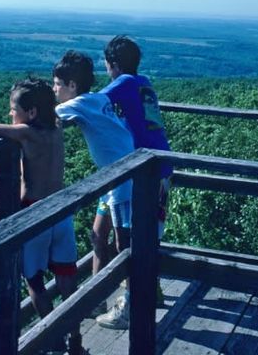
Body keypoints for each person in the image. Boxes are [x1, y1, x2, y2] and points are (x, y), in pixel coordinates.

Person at [0, 77, 81, 354]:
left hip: (35, 212)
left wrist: (13, 127)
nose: (10, 114)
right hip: (61, 210)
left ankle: (56, 341)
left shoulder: (26, 133)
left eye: (14, 109)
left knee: (33, 281)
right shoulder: (56, 128)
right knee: (66, 278)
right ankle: (76, 341)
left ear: (32, 112)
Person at [52, 50, 136, 330]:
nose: (54, 89)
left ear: (72, 85)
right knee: (98, 236)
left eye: (57, 84)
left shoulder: (77, 104)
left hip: (123, 178)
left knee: (124, 245)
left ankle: (131, 307)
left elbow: (43, 119)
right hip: (114, 176)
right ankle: (97, 299)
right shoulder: (98, 98)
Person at [101, 35, 173, 314]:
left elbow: (93, 103)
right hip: (163, 165)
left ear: (114, 64)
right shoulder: (144, 81)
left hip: (143, 170)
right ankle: (152, 288)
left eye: (106, 63)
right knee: (151, 232)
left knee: (129, 237)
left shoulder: (124, 82)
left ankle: (131, 305)